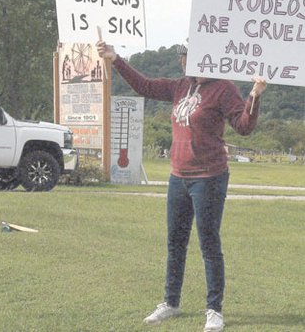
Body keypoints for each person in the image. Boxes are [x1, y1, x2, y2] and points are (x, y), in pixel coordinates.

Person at [96, 40, 267, 332]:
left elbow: (244, 126)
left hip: (209, 177)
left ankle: (214, 310)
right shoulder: (180, 86)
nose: (185, 62)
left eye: (190, 56)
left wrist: (255, 94)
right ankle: (171, 303)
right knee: (175, 243)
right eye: (184, 57)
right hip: (179, 176)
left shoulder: (223, 88)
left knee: (209, 244)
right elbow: (145, 86)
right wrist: (116, 59)